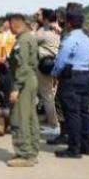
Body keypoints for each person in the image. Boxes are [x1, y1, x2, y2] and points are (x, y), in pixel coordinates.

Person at [51, 9, 89, 158]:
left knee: (72, 113)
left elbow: (61, 60)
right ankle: (86, 145)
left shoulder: (69, 39)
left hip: (71, 77)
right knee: (84, 112)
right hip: (85, 75)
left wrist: (55, 74)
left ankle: (73, 148)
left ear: (68, 23)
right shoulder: (88, 39)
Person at [6, 13, 40, 167]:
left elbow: (23, 66)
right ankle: (31, 151)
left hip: (24, 81)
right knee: (30, 117)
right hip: (29, 79)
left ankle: (25, 154)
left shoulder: (23, 40)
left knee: (20, 117)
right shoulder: (28, 38)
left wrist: (16, 88)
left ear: (14, 24)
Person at [34, 8, 61, 137]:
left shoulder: (43, 32)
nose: (37, 16)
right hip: (55, 64)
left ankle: (54, 124)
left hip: (44, 65)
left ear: (45, 19)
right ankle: (52, 121)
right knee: (52, 94)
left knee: (47, 96)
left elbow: (30, 42)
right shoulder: (59, 30)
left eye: (39, 15)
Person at [0, 20, 16, 136]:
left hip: (11, 65)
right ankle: (5, 119)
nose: (3, 25)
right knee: (1, 92)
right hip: (1, 65)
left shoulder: (15, 35)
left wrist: (8, 58)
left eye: (5, 22)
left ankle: (4, 121)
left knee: (8, 92)